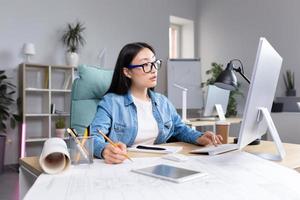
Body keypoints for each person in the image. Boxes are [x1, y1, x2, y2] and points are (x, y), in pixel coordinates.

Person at [90, 42, 222, 164]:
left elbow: (179, 129)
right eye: (145, 65)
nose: (154, 70)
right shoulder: (112, 102)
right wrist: (104, 150)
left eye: (155, 63)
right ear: (127, 72)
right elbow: (93, 136)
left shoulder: (162, 102)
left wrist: (200, 137)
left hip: (159, 162)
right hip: (125, 164)